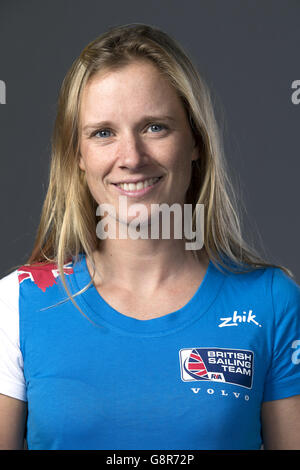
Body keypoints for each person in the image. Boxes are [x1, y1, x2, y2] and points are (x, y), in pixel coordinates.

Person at [0, 23, 300, 451]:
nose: (132, 158)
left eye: (155, 127)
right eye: (103, 133)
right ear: (78, 156)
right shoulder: (16, 305)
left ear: (195, 140)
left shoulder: (272, 302)